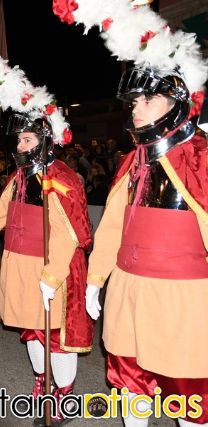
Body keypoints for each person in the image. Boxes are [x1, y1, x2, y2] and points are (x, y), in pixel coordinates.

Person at [55, 2, 208, 425]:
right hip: (128, 292)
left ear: (175, 103)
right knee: (130, 383)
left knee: (189, 394)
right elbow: (111, 230)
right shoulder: (131, 160)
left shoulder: (201, 158)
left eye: (147, 100)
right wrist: (96, 279)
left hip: (184, 298)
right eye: (133, 102)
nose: (135, 110)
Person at [0, 49, 93, 422]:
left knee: (56, 335)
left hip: (50, 270)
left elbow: (68, 233)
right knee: (31, 331)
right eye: (19, 140)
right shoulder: (17, 179)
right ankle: (40, 380)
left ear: (44, 141)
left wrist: (51, 276)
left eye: (28, 140)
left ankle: (62, 393)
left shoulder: (60, 177)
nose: (20, 146)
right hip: (18, 267)